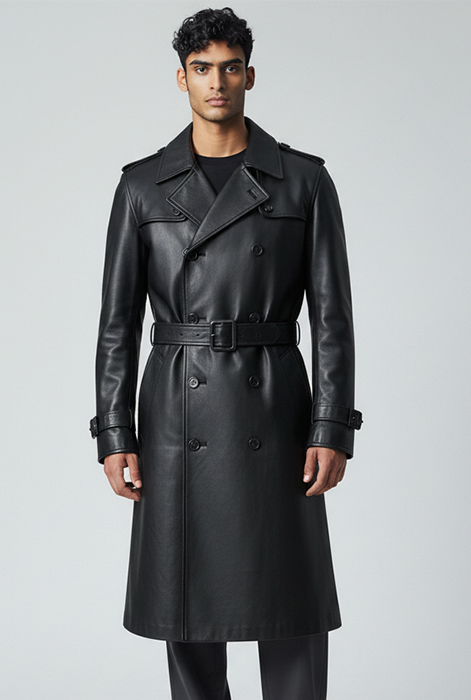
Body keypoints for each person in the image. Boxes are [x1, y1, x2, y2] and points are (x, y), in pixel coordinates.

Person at [90, 7, 362, 699]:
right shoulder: (142, 186)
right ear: (181, 79)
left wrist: (332, 428)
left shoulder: (303, 180)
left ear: (250, 75)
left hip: (275, 412)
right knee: (187, 611)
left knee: (290, 605)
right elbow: (117, 325)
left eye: (230, 68)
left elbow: (332, 320)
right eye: (202, 69)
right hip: (178, 414)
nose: (218, 82)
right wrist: (115, 434)